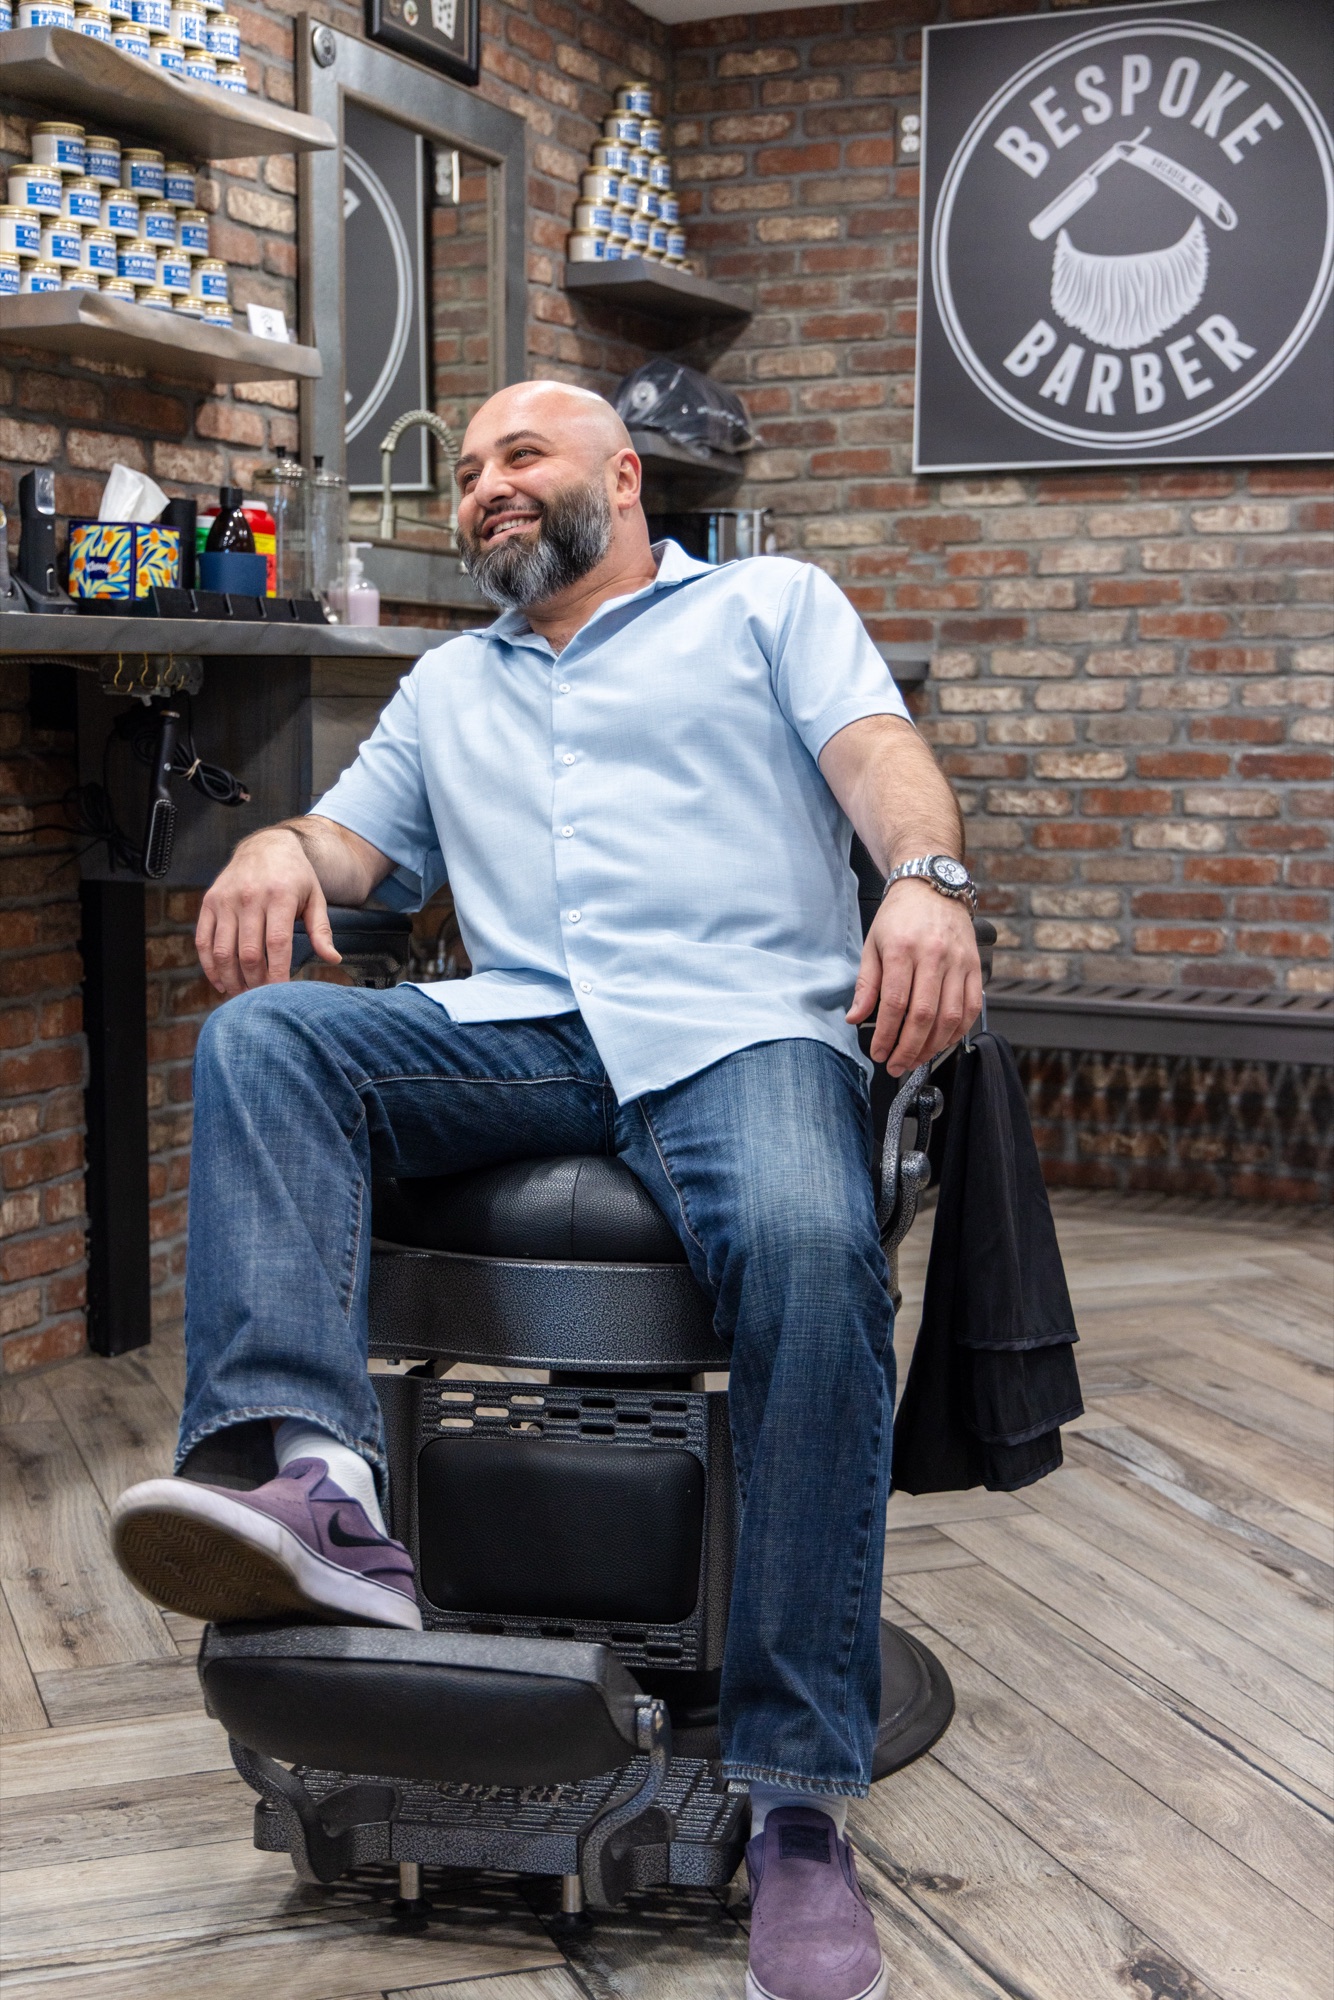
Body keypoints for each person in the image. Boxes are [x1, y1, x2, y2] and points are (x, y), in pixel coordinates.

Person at [110, 381, 981, 2000]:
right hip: (521, 1036)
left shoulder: (765, 605)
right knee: (267, 1040)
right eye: (465, 473)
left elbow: (880, 759)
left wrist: (923, 884)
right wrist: (285, 851)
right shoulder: (450, 681)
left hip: (743, 1029)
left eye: (520, 456)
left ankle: (795, 1798)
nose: (486, 489)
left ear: (622, 475)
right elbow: (359, 849)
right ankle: (317, 1487)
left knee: (805, 1244)